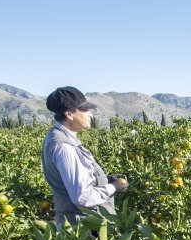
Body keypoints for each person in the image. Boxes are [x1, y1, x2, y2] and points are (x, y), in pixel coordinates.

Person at [42, 86, 128, 228]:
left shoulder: (58, 136)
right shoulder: (65, 147)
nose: (90, 115)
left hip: (82, 226)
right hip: (83, 231)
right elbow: (82, 196)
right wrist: (113, 187)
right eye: (85, 110)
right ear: (69, 114)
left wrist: (105, 180)